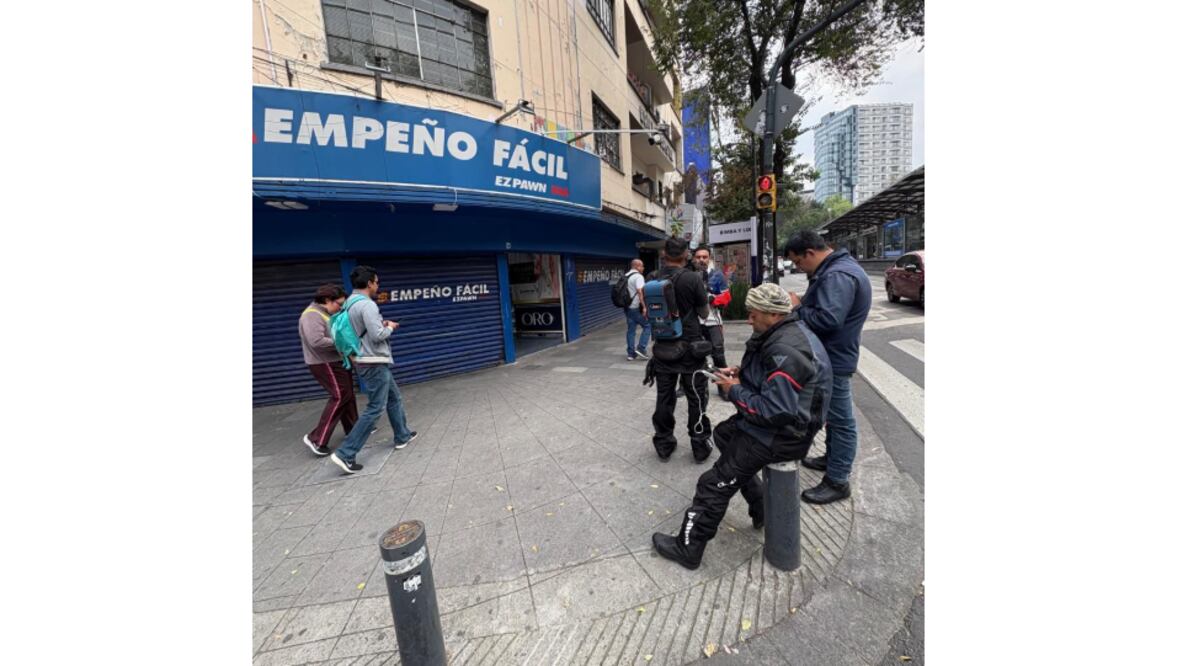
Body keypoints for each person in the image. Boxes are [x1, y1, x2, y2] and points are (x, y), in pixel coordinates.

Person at [652, 283, 832, 569]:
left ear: (772, 314)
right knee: (723, 435)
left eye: (753, 314)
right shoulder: (785, 333)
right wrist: (740, 372)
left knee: (712, 484)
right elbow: (772, 379)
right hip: (785, 426)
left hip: (781, 434)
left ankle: (689, 548)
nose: (749, 319)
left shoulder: (784, 348)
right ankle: (760, 505)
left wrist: (734, 389)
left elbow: (776, 411)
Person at [783, 230, 872, 504]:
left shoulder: (837, 275)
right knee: (833, 417)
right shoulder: (837, 269)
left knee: (841, 420)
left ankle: (838, 480)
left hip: (834, 359)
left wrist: (797, 307)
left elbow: (828, 319)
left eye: (798, 262)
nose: (799, 268)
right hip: (833, 355)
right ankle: (832, 460)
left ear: (810, 253)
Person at [330, 265, 418, 474]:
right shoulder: (367, 305)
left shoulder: (349, 302)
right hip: (373, 360)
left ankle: (402, 435)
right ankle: (346, 453)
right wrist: (389, 327)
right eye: (377, 282)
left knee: (394, 397)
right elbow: (378, 335)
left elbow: (364, 329)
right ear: (369, 283)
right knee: (375, 408)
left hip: (364, 358)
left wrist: (381, 324)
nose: (378, 285)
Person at [643, 237, 714, 463]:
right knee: (696, 397)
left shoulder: (652, 278)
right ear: (686, 255)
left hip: (663, 348)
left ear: (664, 254)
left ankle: (663, 443)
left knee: (664, 397)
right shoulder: (692, 278)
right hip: (691, 349)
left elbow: (648, 314)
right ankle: (699, 444)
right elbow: (704, 314)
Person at [298, 284, 357, 456]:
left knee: (347, 395)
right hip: (324, 363)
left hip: (336, 361)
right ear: (326, 301)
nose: (340, 308)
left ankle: (354, 429)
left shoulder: (324, 313)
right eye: (338, 304)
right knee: (340, 396)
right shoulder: (311, 315)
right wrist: (343, 344)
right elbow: (316, 341)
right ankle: (317, 438)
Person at [692, 247, 729, 370]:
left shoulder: (718, 275)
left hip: (713, 320)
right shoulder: (688, 275)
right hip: (693, 322)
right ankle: (693, 387)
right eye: (698, 257)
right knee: (693, 356)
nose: (701, 260)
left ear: (709, 258)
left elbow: (727, 297)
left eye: (704, 257)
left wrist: (713, 299)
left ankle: (723, 386)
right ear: (693, 259)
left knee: (718, 354)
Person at [622, 259, 650, 361]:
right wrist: (644, 307)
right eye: (642, 266)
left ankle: (631, 354)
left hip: (627, 308)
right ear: (637, 266)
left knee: (631, 330)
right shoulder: (638, 277)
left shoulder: (626, 275)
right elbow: (640, 292)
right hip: (635, 307)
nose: (643, 268)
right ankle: (641, 348)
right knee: (647, 325)